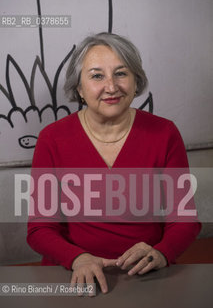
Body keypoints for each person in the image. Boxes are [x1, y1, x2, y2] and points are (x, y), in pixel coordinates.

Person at [27, 32, 201, 294]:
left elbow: (185, 220)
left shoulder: (164, 133)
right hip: (73, 275)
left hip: (145, 276)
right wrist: (78, 258)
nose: (111, 86)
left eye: (121, 73)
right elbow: (40, 227)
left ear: (135, 82)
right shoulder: (52, 138)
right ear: (79, 88)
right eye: (97, 76)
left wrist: (162, 253)